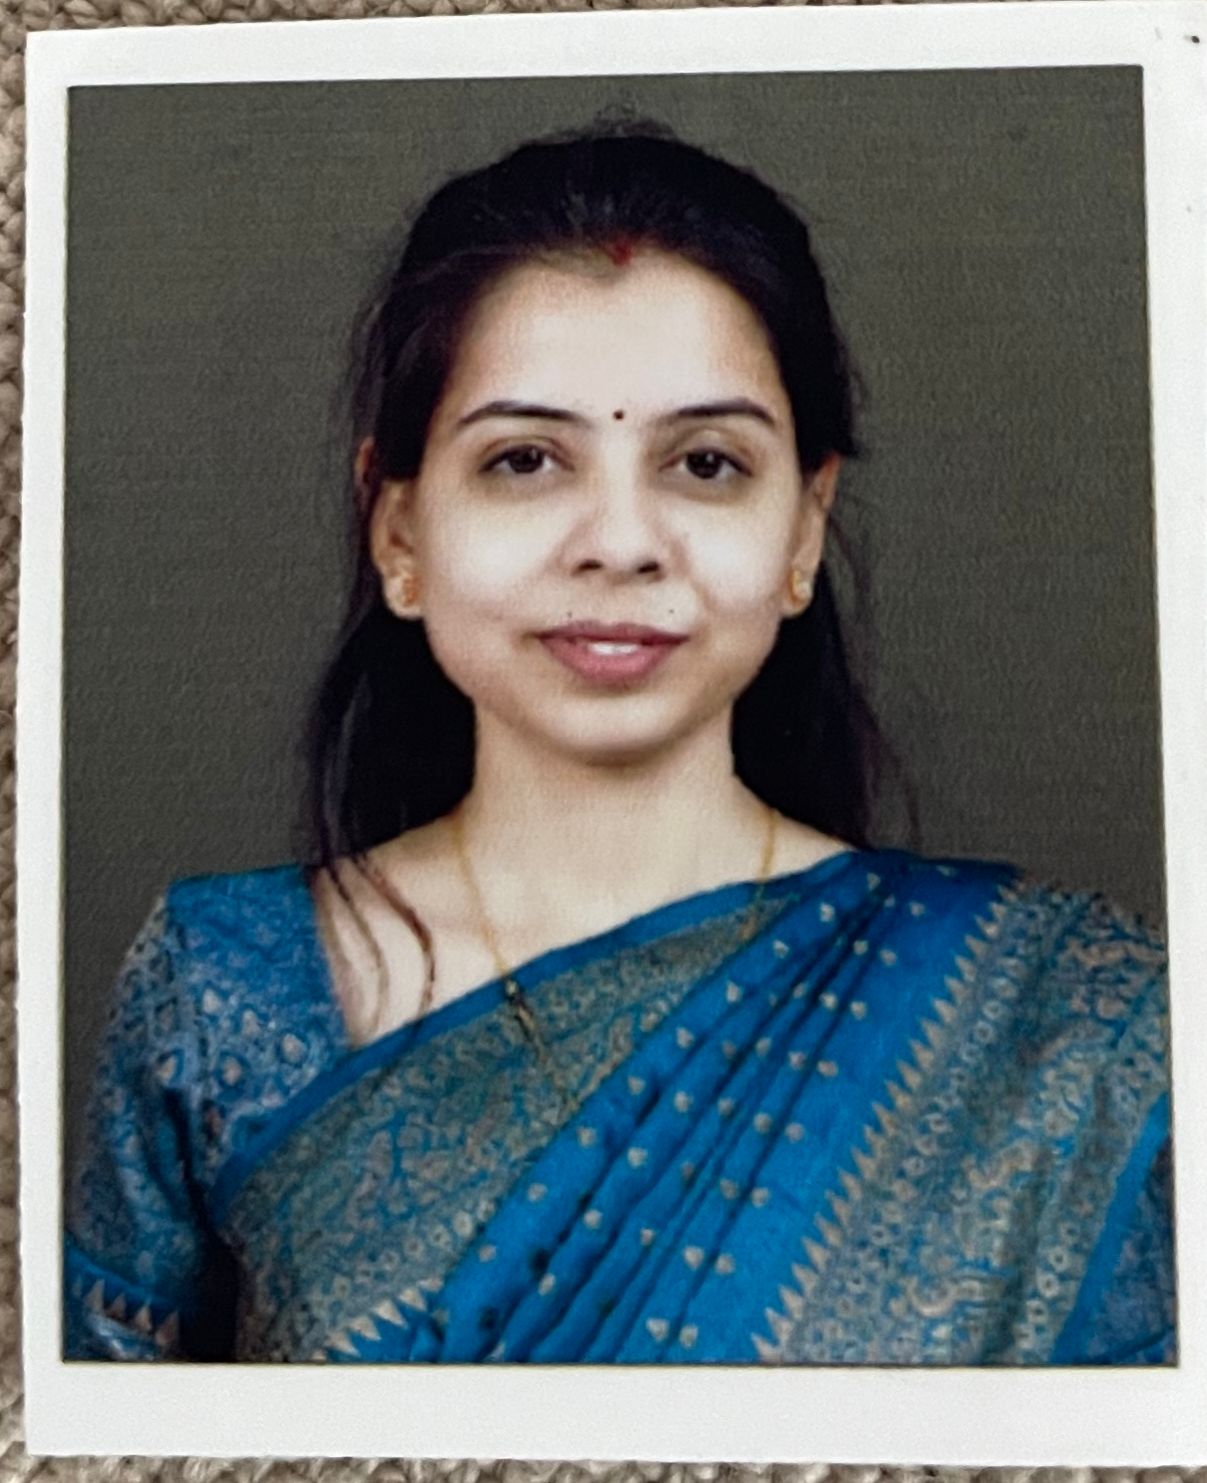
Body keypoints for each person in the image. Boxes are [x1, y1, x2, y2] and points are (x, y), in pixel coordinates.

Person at [63, 121, 1175, 1366]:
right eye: (524, 459)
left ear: (804, 528)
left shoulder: (1063, 1026)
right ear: (399, 532)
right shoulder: (218, 991)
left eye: (704, 463)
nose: (621, 541)